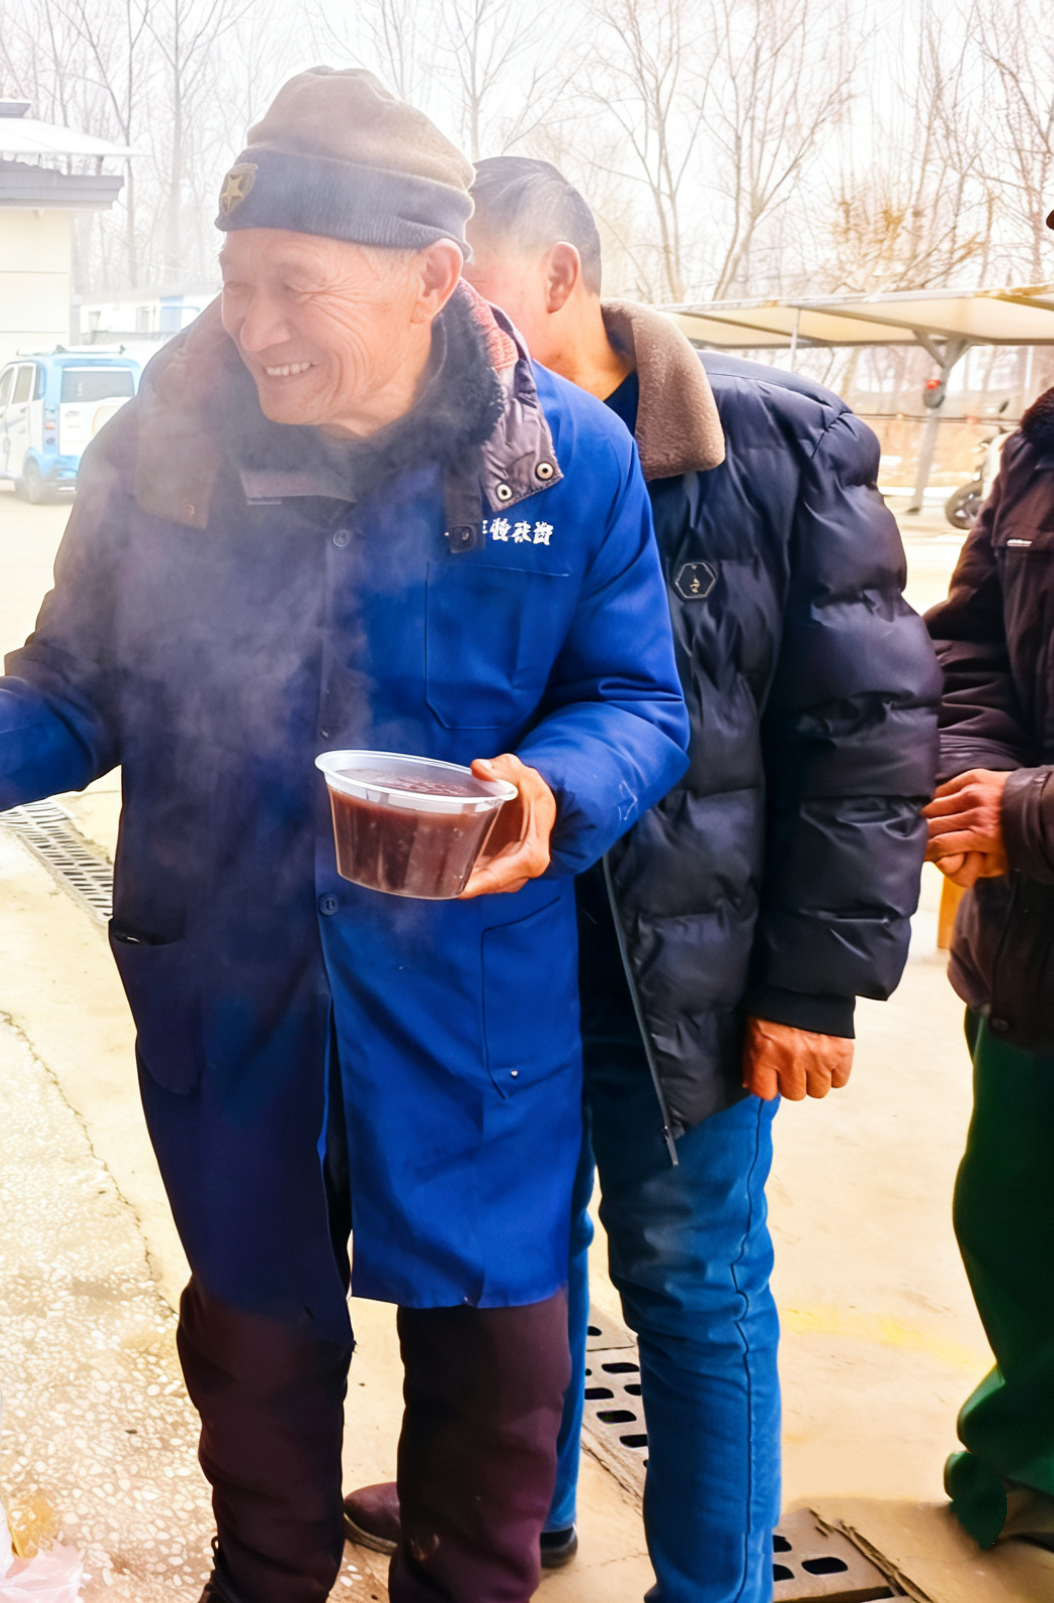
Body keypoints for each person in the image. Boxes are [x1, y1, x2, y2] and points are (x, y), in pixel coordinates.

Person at [0, 70, 690, 1603]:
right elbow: (74, 685)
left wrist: (549, 792)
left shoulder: (559, 465)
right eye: (238, 283)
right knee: (255, 1360)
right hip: (231, 980)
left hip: (469, 1005)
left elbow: (636, 697)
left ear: (436, 279)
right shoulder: (164, 453)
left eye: (301, 285)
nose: (257, 324)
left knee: (499, 1395)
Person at [339, 157, 939, 1599]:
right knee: (517, 1260)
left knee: (690, 1275)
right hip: (509, 952)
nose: (439, 329)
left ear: (556, 280)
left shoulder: (779, 448)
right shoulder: (439, 452)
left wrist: (815, 985)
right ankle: (522, 1505)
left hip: (697, 968)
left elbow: (864, 734)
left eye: (463, 290)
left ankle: (711, 1584)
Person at [922, 377, 1054, 1556]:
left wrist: (1031, 814)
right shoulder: (1039, 446)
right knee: (1011, 1219)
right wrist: (978, 781)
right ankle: (1028, 1467)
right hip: (1029, 950)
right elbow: (965, 644)